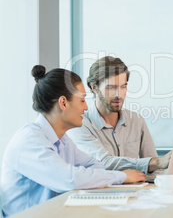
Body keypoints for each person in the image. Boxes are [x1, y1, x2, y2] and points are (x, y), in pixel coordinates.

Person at [1, 65, 143, 217]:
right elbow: (70, 179)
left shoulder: (62, 140)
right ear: (63, 103)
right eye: (82, 100)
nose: (86, 107)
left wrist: (94, 176)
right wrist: (122, 176)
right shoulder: (29, 140)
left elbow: (94, 165)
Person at [67, 56, 170, 175]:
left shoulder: (136, 120)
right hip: (100, 192)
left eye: (123, 86)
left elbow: (156, 169)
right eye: (111, 87)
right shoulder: (80, 125)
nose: (119, 95)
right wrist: (155, 163)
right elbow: (103, 163)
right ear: (94, 87)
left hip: (137, 192)